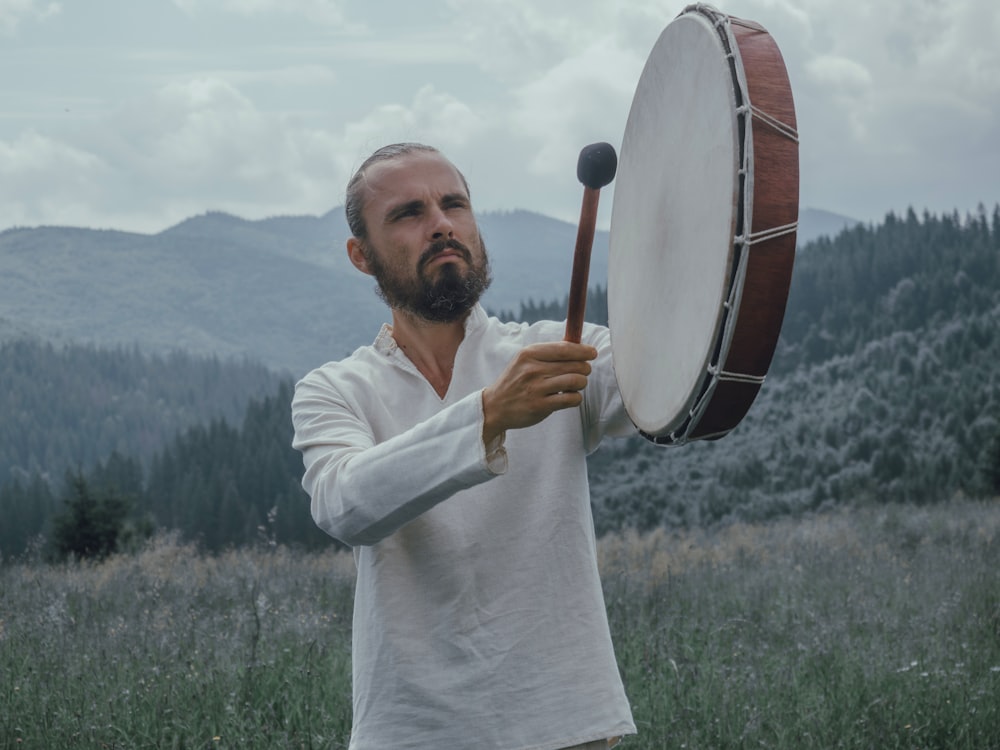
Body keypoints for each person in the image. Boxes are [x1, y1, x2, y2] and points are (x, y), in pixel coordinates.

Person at [291, 142, 637, 750]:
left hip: (569, 724)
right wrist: (489, 415)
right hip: (413, 732)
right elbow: (344, 505)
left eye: (455, 204)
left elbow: (664, 383)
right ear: (361, 256)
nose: (442, 223)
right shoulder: (336, 390)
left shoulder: (560, 350)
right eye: (408, 213)